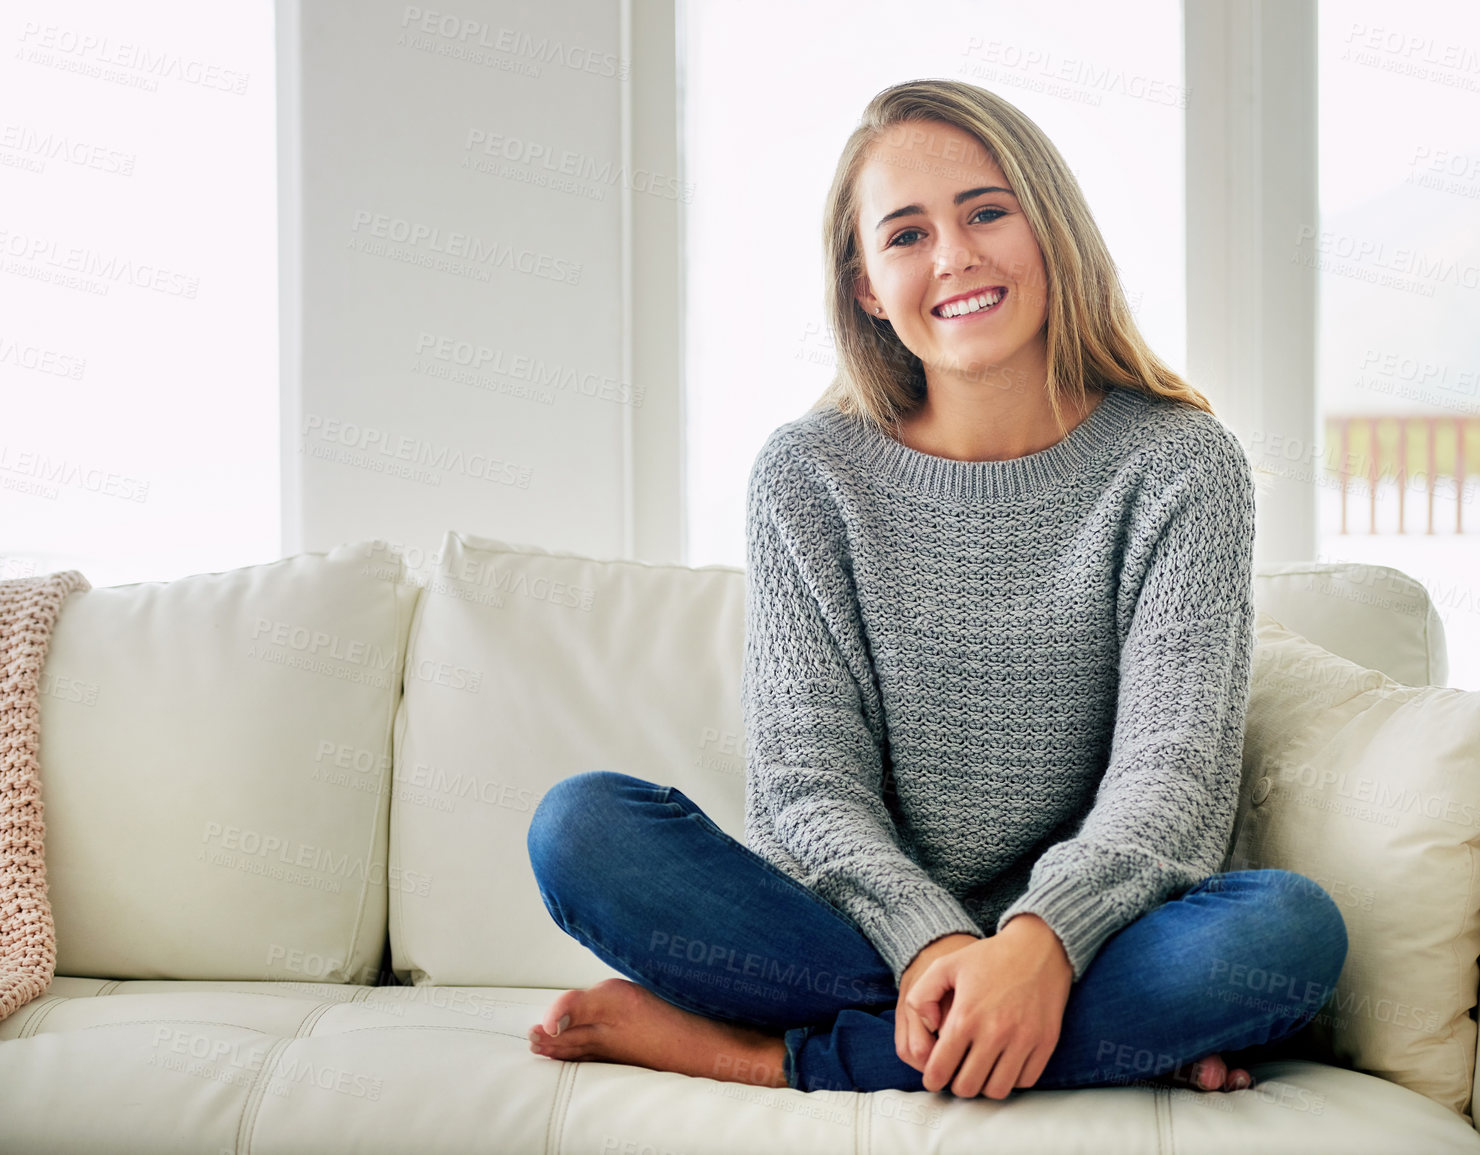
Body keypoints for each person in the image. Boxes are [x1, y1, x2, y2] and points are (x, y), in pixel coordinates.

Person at [524, 79, 1348, 1101]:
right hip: (857, 931)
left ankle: (767, 1058)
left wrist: (1040, 945)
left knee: (1287, 934)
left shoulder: (1181, 466)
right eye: (906, 234)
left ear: (1051, 231)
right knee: (581, 829)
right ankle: (1082, 1043)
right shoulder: (809, 475)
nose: (954, 256)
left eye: (987, 212)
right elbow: (804, 789)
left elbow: (1171, 781)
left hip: (1086, 938)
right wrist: (932, 948)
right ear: (868, 285)